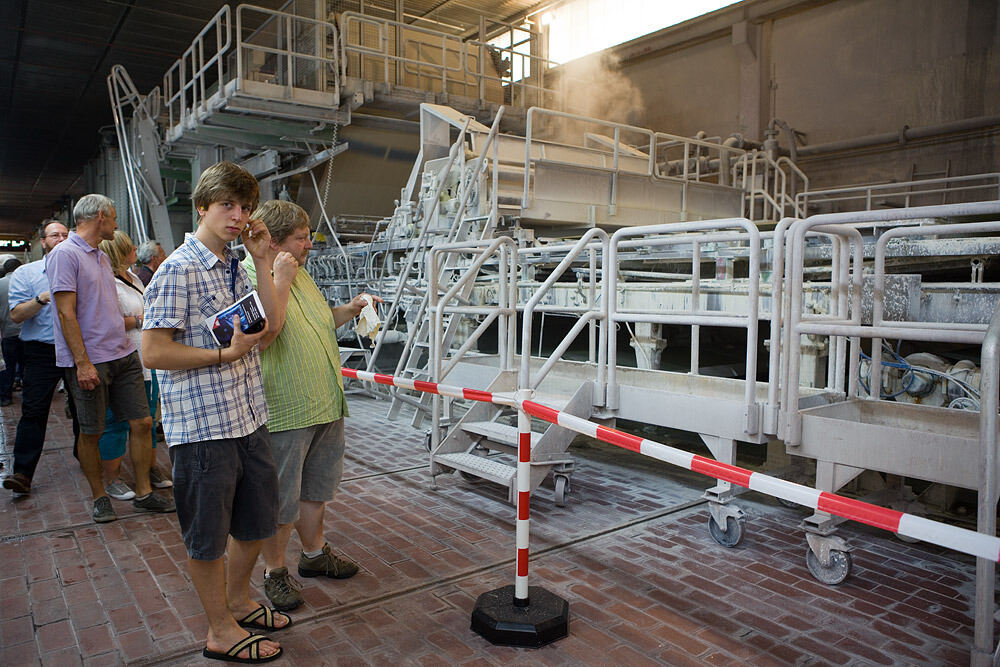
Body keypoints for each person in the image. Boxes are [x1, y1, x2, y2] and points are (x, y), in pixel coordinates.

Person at [142, 161, 288, 663]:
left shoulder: (234, 264)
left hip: (247, 416)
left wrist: (262, 259)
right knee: (206, 537)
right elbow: (153, 352)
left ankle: (238, 602)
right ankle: (220, 630)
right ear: (202, 207)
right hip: (203, 428)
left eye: (244, 207)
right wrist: (223, 355)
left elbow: (269, 328)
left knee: (257, 522)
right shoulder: (178, 269)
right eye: (227, 204)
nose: (238, 216)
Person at [244, 200, 377, 612]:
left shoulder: (302, 274)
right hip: (285, 408)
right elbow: (265, 333)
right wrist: (279, 279)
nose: (308, 245)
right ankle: (274, 572)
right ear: (273, 241)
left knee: (316, 488)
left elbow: (319, 322)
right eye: (301, 238)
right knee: (281, 499)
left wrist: (350, 310)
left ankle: (315, 554)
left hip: (323, 402)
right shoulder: (250, 274)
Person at [46, 195, 174, 523]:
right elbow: (65, 312)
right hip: (92, 359)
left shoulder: (101, 257)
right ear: (101, 216)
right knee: (92, 431)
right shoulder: (65, 254)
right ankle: (99, 497)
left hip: (123, 353)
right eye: (114, 217)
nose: (116, 225)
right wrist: (82, 363)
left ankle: (144, 493)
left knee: (143, 422)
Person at [96, 231, 172, 501]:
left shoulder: (134, 278)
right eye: (130, 247)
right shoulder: (105, 282)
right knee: (116, 422)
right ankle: (112, 478)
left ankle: (150, 467)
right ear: (118, 251)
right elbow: (106, 322)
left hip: (144, 358)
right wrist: (140, 319)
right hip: (120, 357)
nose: (135, 250)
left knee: (147, 419)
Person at [2, 221, 73, 494]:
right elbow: (16, 315)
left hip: (77, 348)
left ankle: (87, 457)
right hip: (40, 351)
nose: (61, 239)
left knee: (84, 409)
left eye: (66, 235)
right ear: (43, 242)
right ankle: (22, 472)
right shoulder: (27, 273)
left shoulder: (80, 270)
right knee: (33, 410)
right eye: (55, 235)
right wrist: (41, 299)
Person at [0, 257, 24, 406]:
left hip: (7, 332)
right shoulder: (26, 282)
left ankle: (5, 396)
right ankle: (28, 394)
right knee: (26, 365)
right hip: (27, 332)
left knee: (8, 366)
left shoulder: (0, 284)